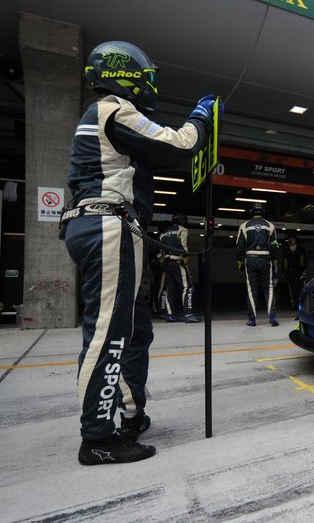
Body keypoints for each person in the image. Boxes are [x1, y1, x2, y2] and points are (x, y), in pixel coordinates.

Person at [63, 41, 215, 465]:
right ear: (126, 75)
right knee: (108, 334)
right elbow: (180, 144)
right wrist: (202, 116)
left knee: (135, 331)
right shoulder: (114, 108)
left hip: (105, 225)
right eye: (146, 76)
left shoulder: (103, 115)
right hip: (108, 225)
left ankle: (130, 415)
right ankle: (97, 438)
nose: (151, 85)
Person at [236, 204, 280, 326]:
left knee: (251, 290)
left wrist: (240, 262)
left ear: (251, 212)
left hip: (250, 259)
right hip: (266, 259)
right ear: (263, 212)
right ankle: (273, 317)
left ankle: (252, 319)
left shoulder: (244, 226)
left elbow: (239, 247)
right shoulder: (270, 226)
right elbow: (275, 246)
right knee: (269, 289)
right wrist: (274, 261)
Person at [159, 213, 200, 323]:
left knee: (170, 289)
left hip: (167, 263)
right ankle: (189, 314)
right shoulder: (182, 230)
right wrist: (186, 257)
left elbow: (160, 252)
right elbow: (183, 245)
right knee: (188, 287)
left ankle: (170, 315)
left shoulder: (163, 233)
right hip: (177, 261)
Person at [281, 234, 307, 311]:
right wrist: (284, 273)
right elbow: (283, 262)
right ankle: (294, 305)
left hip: (299, 272)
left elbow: (305, 261)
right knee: (292, 290)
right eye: (289, 240)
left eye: (292, 239)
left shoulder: (301, 249)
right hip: (290, 273)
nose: (290, 241)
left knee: (301, 289)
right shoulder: (286, 251)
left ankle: (302, 304)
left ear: (295, 240)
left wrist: (304, 271)